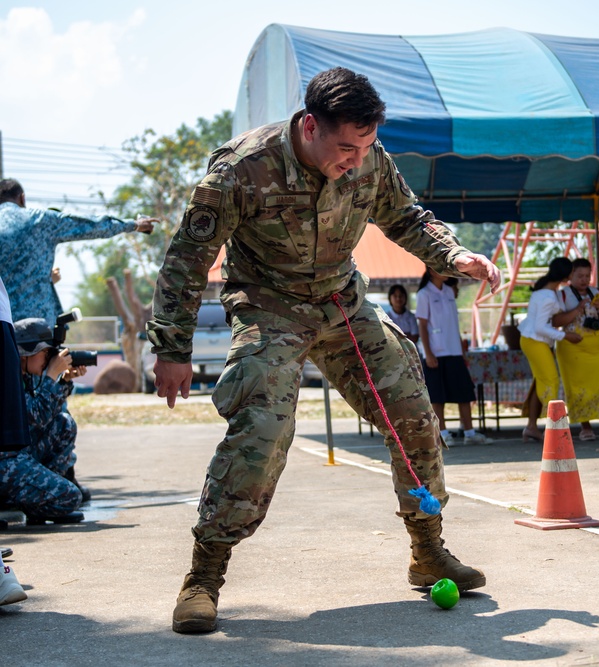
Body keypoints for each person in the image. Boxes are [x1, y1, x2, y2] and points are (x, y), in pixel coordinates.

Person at [146, 67, 501, 634]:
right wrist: (171, 348)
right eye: (345, 148)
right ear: (309, 126)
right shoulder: (242, 170)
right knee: (262, 429)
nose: (355, 161)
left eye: (365, 147)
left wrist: (452, 255)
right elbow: (188, 258)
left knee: (413, 412)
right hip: (269, 305)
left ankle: (428, 548)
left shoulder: (371, 159)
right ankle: (203, 576)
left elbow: (406, 217)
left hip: (341, 302)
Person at [0, 178, 156, 325]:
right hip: (37, 333)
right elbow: (91, 225)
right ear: (22, 198)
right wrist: (133, 224)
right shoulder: (39, 220)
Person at [0, 314, 83, 526]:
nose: (49, 360)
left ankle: (37, 505)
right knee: (70, 497)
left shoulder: (24, 375)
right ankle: (16, 500)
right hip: (4, 460)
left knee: (64, 424)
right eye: (46, 353)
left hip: (14, 455)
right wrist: (50, 377)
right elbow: (35, 417)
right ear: (26, 352)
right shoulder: (6, 373)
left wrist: (63, 382)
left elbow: (45, 420)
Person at [551, 258, 599, 441]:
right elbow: (555, 321)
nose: (584, 279)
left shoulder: (598, 293)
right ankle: (585, 427)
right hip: (574, 349)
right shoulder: (562, 295)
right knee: (579, 388)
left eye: (587, 275)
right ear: (570, 276)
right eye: (580, 275)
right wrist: (577, 310)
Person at [415, 267, 491, 446]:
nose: (446, 270)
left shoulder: (449, 291)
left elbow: (453, 323)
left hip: (454, 350)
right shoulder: (423, 294)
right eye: (440, 267)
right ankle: (442, 433)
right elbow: (422, 325)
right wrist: (428, 353)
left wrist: (461, 349)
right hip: (436, 352)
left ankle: (470, 433)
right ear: (431, 271)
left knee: (464, 393)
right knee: (437, 396)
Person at [518, 257, 582, 442]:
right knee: (551, 381)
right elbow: (540, 327)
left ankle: (532, 427)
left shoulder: (544, 291)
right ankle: (552, 429)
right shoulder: (547, 296)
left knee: (542, 382)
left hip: (533, 340)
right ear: (567, 275)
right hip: (535, 340)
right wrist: (565, 336)